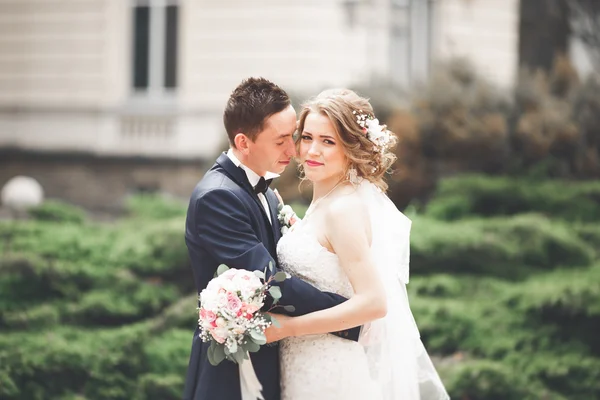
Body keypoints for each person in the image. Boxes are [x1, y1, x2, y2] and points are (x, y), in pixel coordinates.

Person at [181, 78, 361, 400]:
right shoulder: (218, 198)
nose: (294, 151)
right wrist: (352, 316)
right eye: (280, 141)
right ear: (243, 142)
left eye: (293, 136)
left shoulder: (265, 190)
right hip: (233, 374)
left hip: (279, 362)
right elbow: (269, 285)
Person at [266, 89, 450, 400]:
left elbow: (373, 303)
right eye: (307, 137)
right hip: (303, 364)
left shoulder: (343, 210)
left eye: (328, 141)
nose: (312, 150)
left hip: (327, 371)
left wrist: (287, 328)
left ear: (351, 148)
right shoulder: (326, 200)